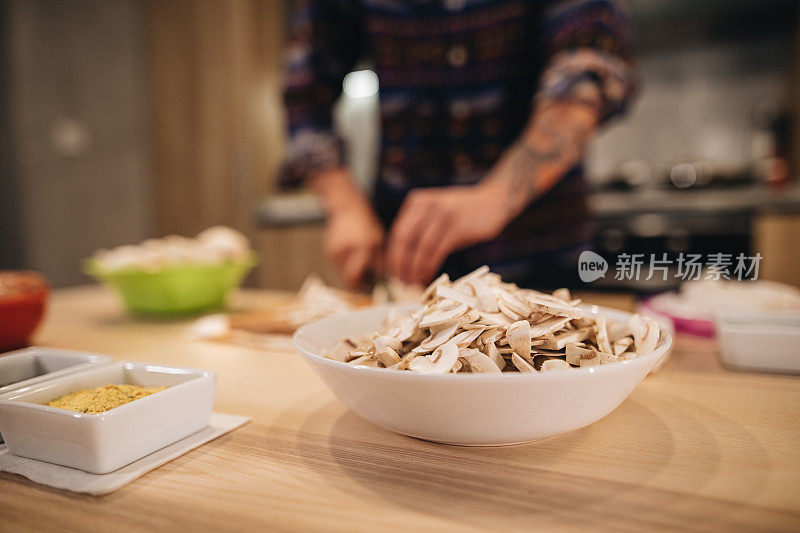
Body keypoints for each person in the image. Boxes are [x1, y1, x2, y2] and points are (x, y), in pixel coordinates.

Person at [280, 0, 636, 289]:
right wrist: (345, 207)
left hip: (547, 262)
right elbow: (304, 90)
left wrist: (495, 196)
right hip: (410, 267)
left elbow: (587, 71)